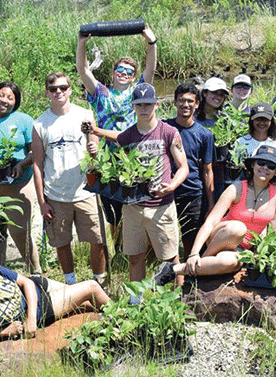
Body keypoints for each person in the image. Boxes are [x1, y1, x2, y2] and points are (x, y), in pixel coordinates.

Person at [91, 83, 188, 282]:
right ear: (133, 107)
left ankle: (178, 299)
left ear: (156, 105)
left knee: (170, 258)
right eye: (139, 105)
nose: (143, 109)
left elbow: (183, 167)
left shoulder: (168, 132)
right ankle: (137, 301)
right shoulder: (131, 133)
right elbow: (117, 138)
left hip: (161, 206)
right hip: (133, 207)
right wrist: (96, 131)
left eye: (148, 104)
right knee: (135, 257)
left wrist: (172, 185)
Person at [152, 144, 276, 284]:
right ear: (253, 164)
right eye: (261, 163)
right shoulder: (237, 188)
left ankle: (173, 270)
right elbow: (210, 222)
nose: (265, 168)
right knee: (238, 228)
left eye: (271, 166)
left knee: (232, 263)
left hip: (242, 247)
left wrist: (262, 253)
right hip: (222, 236)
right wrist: (194, 253)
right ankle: (200, 260)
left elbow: (273, 225)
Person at [76, 25, 157, 248]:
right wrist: (82, 43)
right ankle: (119, 249)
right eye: (120, 69)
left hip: (133, 158)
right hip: (106, 159)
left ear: (133, 78)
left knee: (137, 207)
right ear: (113, 72)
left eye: (129, 72)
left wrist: (151, 43)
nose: (124, 74)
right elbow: (83, 71)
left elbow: (150, 69)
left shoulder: (137, 92)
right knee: (112, 209)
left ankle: (139, 249)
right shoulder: (101, 93)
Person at [0, 243, 109, 343]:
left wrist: (31, 318)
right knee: (91, 288)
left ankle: (120, 312)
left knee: (86, 300)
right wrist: (5, 331)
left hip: (35, 287)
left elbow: (26, 282)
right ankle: (123, 313)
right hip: (43, 306)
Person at [32, 72, 105, 285]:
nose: (59, 92)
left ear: (70, 90)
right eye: (53, 89)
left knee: (97, 239)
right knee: (61, 242)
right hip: (55, 194)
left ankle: (98, 281)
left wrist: (95, 148)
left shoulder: (85, 114)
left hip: (86, 190)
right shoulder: (40, 124)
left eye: (63, 88)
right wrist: (42, 202)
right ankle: (70, 283)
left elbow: (95, 151)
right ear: (47, 92)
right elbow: (37, 164)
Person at [0, 81, 41, 273]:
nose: (4, 100)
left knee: (20, 231)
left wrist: (21, 164)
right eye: (1, 95)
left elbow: (34, 151)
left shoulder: (24, 120)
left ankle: (35, 271)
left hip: (18, 185)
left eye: (10, 98)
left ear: (16, 102)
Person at [164, 83, 215, 258]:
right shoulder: (164, 128)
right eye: (181, 101)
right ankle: (167, 271)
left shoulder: (205, 134)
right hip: (166, 190)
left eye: (189, 101)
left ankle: (190, 275)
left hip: (192, 192)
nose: (185, 105)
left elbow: (208, 170)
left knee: (191, 239)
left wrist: (210, 203)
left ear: (197, 104)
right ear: (175, 102)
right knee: (164, 238)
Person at [234, 102, 276, 231]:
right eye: (258, 119)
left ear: (271, 121)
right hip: (245, 190)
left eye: (265, 120)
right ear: (252, 120)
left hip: (269, 191)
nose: (262, 123)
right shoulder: (241, 142)